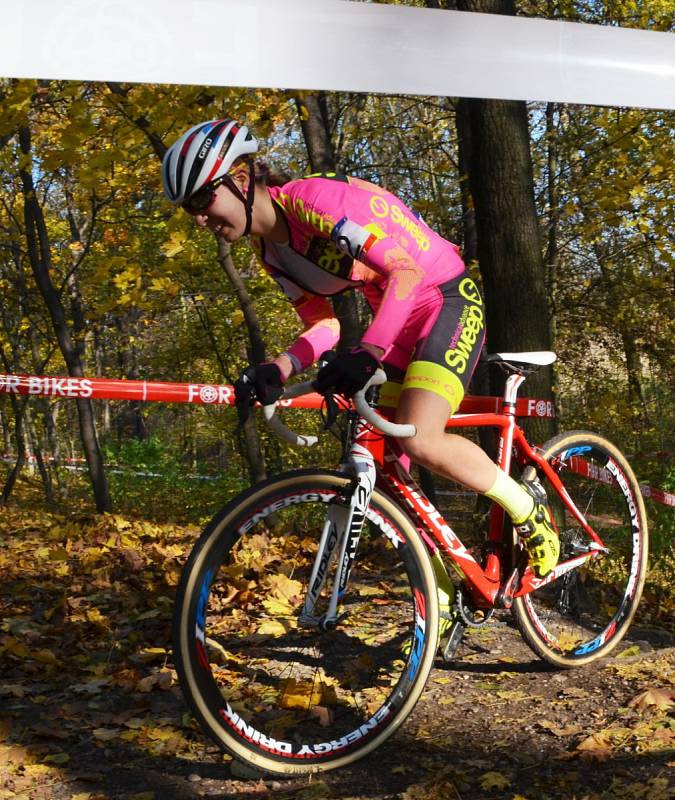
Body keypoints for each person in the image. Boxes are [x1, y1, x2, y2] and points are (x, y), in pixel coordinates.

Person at [161, 118, 559, 591]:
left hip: (445, 298)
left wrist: (369, 351)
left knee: (420, 437)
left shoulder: (313, 202)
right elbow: (324, 324)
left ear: (242, 181)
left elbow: (406, 273)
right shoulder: (271, 254)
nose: (201, 218)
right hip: (396, 315)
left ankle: (528, 510)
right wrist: (279, 366)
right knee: (383, 464)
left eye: (203, 200)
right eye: (191, 210)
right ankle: (439, 590)